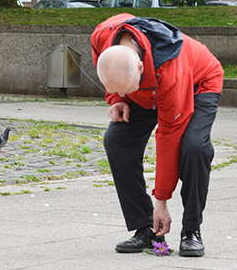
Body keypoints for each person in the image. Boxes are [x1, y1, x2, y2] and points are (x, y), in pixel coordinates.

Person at [91, 14, 224, 257]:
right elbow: (109, 68)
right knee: (117, 140)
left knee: (194, 147)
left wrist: (161, 201)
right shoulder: (103, 36)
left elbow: (168, 138)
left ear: (140, 67)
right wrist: (119, 98)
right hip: (145, 86)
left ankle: (191, 231)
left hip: (196, 84)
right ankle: (146, 230)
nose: (123, 93)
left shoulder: (171, 70)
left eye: (125, 89)